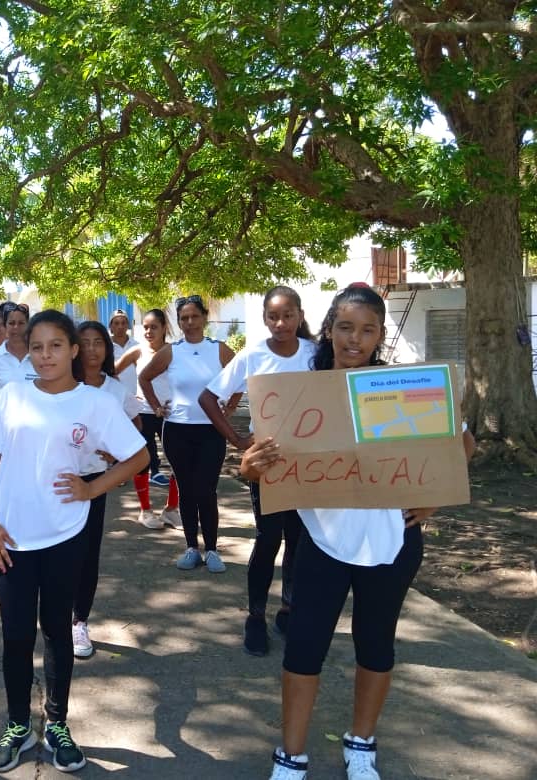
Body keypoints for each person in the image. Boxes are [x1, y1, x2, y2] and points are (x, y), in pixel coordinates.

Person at [241, 285, 475, 780]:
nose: (355, 339)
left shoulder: (399, 386)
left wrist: (434, 493)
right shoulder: (297, 392)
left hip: (392, 538)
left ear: (378, 336)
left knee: (377, 644)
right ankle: (291, 756)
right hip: (321, 541)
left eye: (368, 329)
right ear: (329, 329)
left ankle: (361, 742)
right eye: (346, 327)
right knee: (304, 647)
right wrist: (250, 465)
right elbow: (263, 463)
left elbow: (462, 441)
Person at [0, 310, 148, 774]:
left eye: (56, 346)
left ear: (74, 350)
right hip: (11, 537)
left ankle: (56, 724)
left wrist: (92, 489)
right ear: (27, 352)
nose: (46, 355)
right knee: (15, 635)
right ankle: (17, 725)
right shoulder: (12, 396)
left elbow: (139, 455)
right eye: (37, 347)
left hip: (65, 534)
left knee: (56, 630)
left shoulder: (94, 403)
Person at [199, 285, 314, 657]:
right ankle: (256, 616)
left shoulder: (316, 354)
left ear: (299, 315)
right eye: (272, 316)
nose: (280, 323)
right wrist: (236, 439)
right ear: (264, 318)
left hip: (308, 464)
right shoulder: (252, 357)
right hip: (267, 465)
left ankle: (289, 610)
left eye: (288, 315)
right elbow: (207, 397)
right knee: (269, 539)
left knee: (299, 539)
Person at [139, 295, 236, 573]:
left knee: (207, 490)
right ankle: (191, 547)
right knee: (187, 490)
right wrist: (157, 407)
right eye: (184, 318)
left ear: (205, 317)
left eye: (194, 316)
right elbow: (144, 377)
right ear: (179, 322)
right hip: (177, 430)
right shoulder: (172, 351)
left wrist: (229, 406)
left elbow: (241, 376)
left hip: (211, 430)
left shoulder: (219, 349)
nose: (190, 323)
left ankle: (213, 550)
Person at [70, 321, 141, 659]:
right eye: (85, 343)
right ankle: (56, 616)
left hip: (94, 483)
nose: (93, 350)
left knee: (86, 555)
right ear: (74, 348)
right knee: (55, 553)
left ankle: (79, 620)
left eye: (99, 343)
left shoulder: (114, 390)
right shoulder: (61, 386)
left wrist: (115, 454)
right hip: (56, 481)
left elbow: (136, 428)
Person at [114, 309, 180, 528]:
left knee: (176, 462)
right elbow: (111, 372)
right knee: (142, 461)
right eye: (146, 326)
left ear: (165, 328)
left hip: (170, 415)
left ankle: (172, 509)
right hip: (142, 413)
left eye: (154, 327)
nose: (149, 331)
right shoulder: (137, 351)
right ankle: (145, 510)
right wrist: (121, 396)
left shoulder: (175, 351)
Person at [108, 309, 139, 396]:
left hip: (134, 398)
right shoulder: (105, 347)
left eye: (123, 323)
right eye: (116, 323)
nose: (120, 326)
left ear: (127, 325)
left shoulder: (137, 346)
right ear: (110, 326)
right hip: (113, 397)